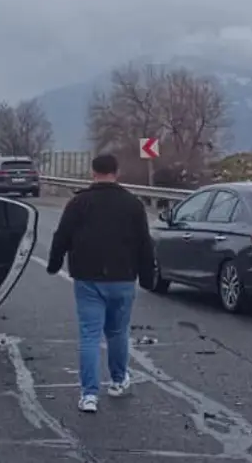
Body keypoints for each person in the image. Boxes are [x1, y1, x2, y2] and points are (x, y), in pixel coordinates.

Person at [46, 153, 155, 414]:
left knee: (90, 335)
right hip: (123, 277)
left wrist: (53, 264)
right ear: (116, 172)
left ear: (93, 172)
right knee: (118, 332)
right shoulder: (132, 204)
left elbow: (62, 236)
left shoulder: (79, 203)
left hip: (88, 277)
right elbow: (144, 243)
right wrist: (147, 276)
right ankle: (118, 381)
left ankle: (89, 395)